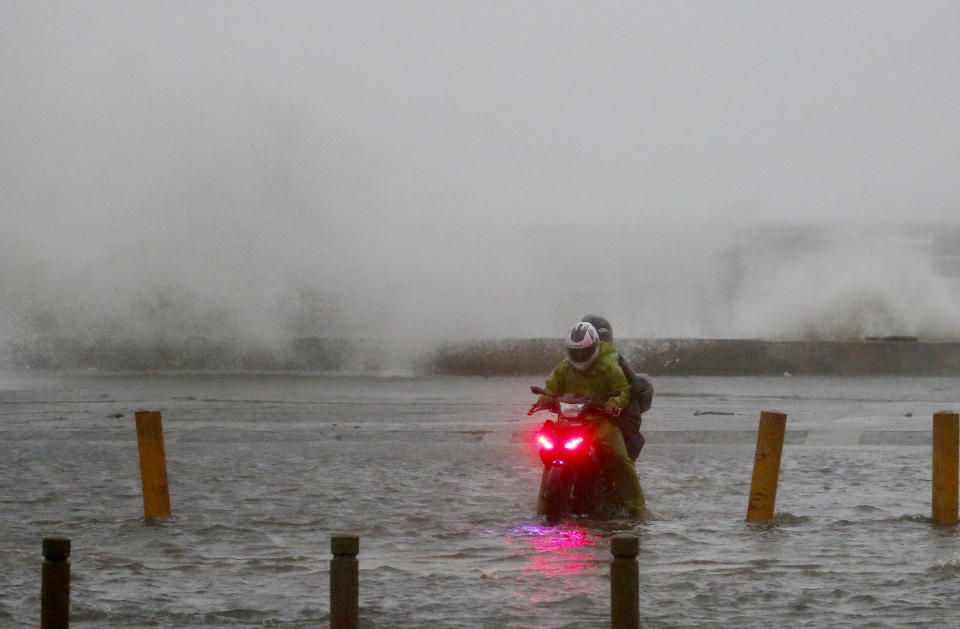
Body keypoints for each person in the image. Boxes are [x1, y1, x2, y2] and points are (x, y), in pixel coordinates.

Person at [530, 321, 645, 516]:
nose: (579, 356)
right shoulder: (564, 367)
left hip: (599, 422)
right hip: (567, 422)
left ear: (594, 348)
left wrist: (614, 402)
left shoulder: (609, 367)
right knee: (548, 449)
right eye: (575, 352)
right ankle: (542, 508)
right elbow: (552, 386)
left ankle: (636, 506)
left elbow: (624, 390)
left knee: (619, 457)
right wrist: (545, 398)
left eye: (584, 352)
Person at [580, 314, 653, 460]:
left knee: (622, 461)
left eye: (602, 341)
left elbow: (633, 388)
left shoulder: (617, 362)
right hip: (583, 418)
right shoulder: (573, 362)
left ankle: (628, 481)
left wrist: (616, 403)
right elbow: (558, 381)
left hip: (614, 419)